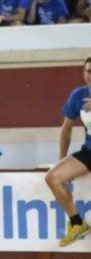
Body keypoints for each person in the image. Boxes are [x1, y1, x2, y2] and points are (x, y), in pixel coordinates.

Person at [45, 57, 91, 247]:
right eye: (88, 71)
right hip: (89, 151)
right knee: (53, 177)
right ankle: (77, 223)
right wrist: (62, 159)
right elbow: (67, 129)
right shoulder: (78, 95)